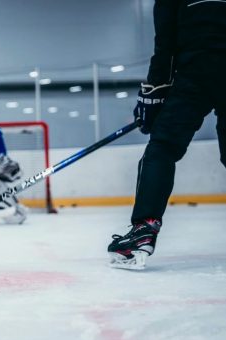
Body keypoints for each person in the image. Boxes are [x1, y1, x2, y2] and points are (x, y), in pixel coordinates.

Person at [108, 0, 226, 269]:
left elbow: (165, 44)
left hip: (195, 74)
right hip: (197, 71)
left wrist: (154, 93)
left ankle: (144, 230)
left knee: (161, 149)